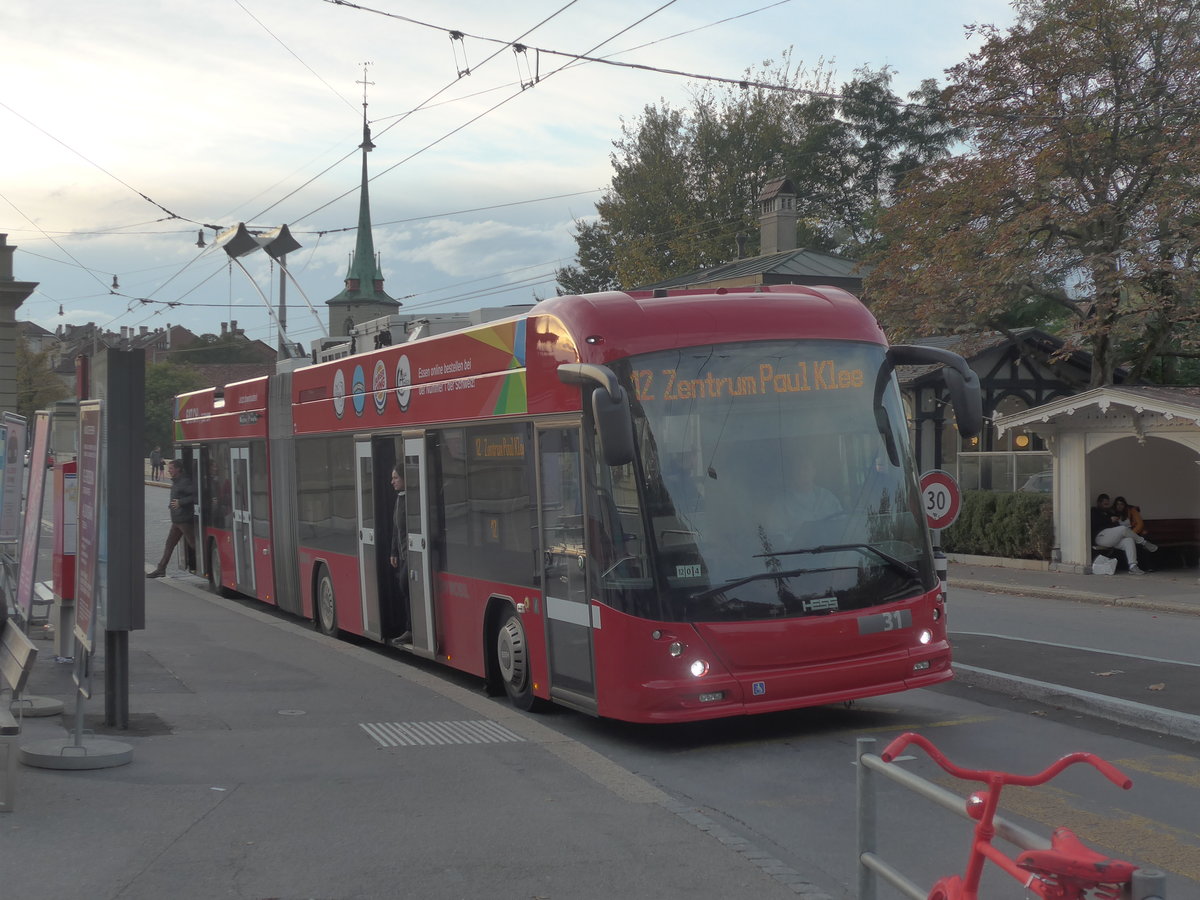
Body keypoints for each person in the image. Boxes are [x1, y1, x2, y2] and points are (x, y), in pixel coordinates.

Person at [147, 459, 197, 578]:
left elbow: (196, 496)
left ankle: (210, 564)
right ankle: (161, 569)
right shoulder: (177, 481)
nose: (168, 470)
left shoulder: (184, 481)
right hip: (177, 520)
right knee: (169, 544)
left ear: (178, 469)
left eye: (171, 468)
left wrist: (181, 502)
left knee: (194, 544)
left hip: (184, 520)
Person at [1091, 492, 1156, 575]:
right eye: (1105, 504)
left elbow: (1116, 525)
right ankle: (1143, 542)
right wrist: (1109, 520)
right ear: (1099, 503)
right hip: (1100, 537)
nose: (1106, 506)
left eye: (1108, 504)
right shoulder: (1094, 511)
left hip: (1111, 538)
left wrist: (1115, 520)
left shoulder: (1109, 512)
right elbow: (1095, 522)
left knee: (1129, 540)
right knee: (1123, 529)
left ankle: (1133, 566)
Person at [387, 466, 412, 646]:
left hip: (413, 554)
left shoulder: (411, 499)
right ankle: (409, 629)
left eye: (396, 478)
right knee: (404, 587)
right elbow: (396, 529)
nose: (392, 481)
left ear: (404, 478)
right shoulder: (399, 499)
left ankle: (411, 629)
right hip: (402, 554)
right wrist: (393, 552)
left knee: (405, 585)